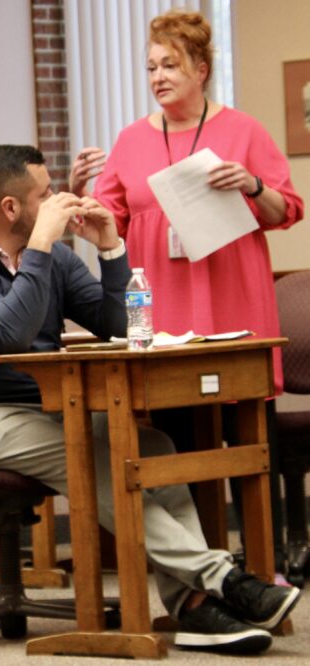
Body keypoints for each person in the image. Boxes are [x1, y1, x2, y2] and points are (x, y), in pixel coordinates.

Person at [0, 144, 300, 654]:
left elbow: (118, 325)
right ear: (10, 207)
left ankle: (193, 609)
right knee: (89, 456)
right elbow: (11, 332)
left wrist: (112, 249)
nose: (59, 200)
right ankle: (224, 580)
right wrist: (43, 247)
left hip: (36, 414)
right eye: (45, 195)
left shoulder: (52, 255)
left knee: (152, 447)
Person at [69, 9, 304, 569]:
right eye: (150, 66)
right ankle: (203, 572)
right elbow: (108, 225)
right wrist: (81, 195)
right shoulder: (129, 140)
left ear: (201, 68)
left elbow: (287, 209)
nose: (158, 76)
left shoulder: (243, 130)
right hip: (165, 314)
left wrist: (250, 183)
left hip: (235, 304)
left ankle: (263, 566)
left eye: (170, 64)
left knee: (248, 442)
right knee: (177, 445)